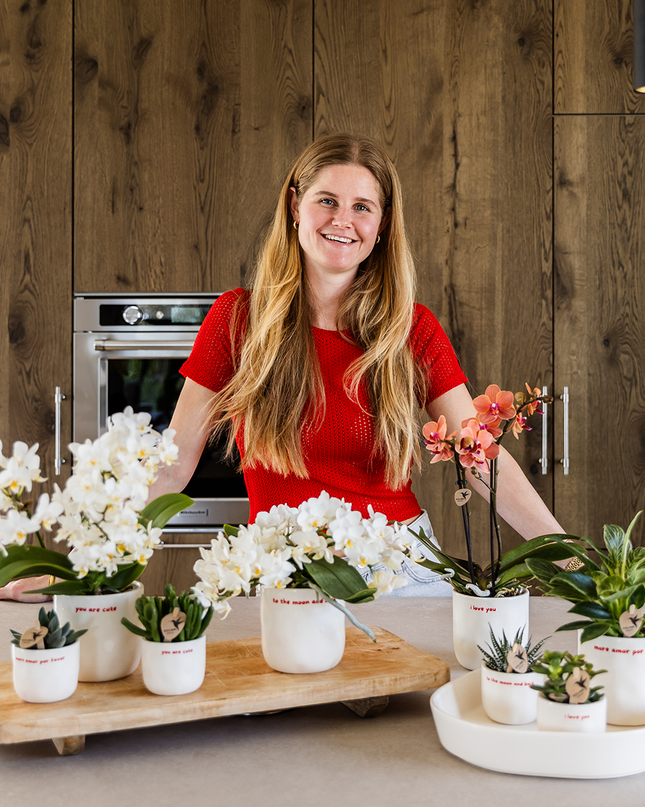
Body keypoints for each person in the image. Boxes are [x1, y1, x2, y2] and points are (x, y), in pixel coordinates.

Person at [0, 133, 564, 601]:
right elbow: (172, 467)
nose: (343, 220)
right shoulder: (237, 320)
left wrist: (570, 562)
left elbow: (479, 459)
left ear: (382, 223)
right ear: (295, 205)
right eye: (327, 200)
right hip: (284, 566)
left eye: (362, 207)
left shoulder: (411, 329)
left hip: (402, 566)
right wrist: (75, 567)